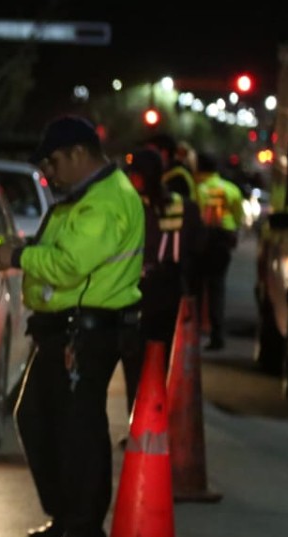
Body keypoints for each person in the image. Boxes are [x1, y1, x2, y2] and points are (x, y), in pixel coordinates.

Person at [0, 115, 144, 537]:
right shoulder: (81, 198)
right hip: (64, 329)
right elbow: (58, 253)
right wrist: (23, 250)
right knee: (36, 418)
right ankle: (67, 518)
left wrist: (16, 256)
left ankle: (84, 536)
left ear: (78, 153)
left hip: (88, 331)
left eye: (54, 161)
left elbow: (71, 264)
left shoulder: (106, 201)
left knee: (79, 433)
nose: (50, 171)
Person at [121, 147, 206, 409]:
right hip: (168, 294)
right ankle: (153, 424)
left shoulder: (130, 207)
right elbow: (198, 254)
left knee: (137, 363)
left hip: (140, 295)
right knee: (162, 361)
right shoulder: (185, 208)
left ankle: (144, 424)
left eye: (134, 175)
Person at [193, 152, 246, 351]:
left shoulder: (198, 189)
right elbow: (238, 215)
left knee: (196, 289)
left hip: (202, 239)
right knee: (217, 289)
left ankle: (192, 334)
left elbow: (193, 214)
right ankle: (217, 336)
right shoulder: (230, 189)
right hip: (223, 239)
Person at [145, 132, 197, 202]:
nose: (146, 156)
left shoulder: (178, 177)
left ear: (164, 153)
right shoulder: (162, 173)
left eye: (149, 152)